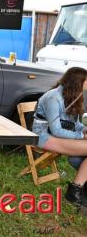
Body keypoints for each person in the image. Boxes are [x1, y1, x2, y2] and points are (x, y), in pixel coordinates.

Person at [32, 67, 87, 207]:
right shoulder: (54, 97)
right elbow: (56, 130)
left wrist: (84, 129)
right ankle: (75, 190)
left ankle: (79, 189)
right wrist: (80, 136)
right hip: (44, 136)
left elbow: (75, 123)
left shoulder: (71, 94)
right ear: (78, 82)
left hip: (56, 134)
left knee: (77, 157)